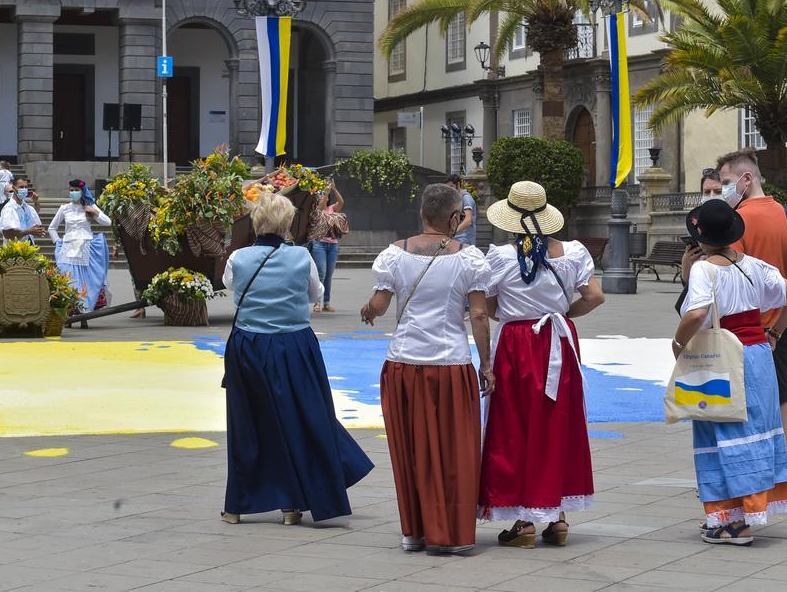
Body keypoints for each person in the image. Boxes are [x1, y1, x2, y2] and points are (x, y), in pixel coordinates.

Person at [221, 191, 373, 525]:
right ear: (288, 223)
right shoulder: (301, 258)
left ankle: (236, 505)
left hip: (249, 345)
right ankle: (293, 503)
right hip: (293, 345)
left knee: (247, 424)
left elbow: (230, 286)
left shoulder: (238, 258)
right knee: (300, 418)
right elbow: (315, 294)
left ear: (256, 222)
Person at [361, 183, 492, 554]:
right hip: (451, 363)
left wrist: (368, 310)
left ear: (422, 213)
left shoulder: (393, 255)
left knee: (410, 451)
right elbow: (479, 315)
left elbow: (381, 303)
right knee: (456, 451)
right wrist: (487, 364)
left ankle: (414, 531)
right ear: (455, 218)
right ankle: (452, 534)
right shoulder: (469, 259)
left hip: (403, 363)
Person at [478, 181, 605, 548]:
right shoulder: (573, 252)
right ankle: (558, 515)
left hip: (518, 343)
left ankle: (524, 519)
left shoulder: (500, 257)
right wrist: (564, 312)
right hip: (559, 341)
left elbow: (487, 306)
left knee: (515, 426)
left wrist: (513, 314)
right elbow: (595, 296)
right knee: (557, 425)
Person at [673, 199, 787, 545]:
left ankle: (733, 522)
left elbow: (695, 313)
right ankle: (741, 514)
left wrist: (678, 344)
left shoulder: (705, 269)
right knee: (753, 428)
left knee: (720, 431)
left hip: (721, 355)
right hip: (757, 355)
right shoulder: (753, 266)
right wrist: (774, 332)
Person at [716, 148, 787, 509]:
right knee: (783, 402)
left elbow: (730, 273)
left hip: (743, 329)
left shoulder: (736, 222)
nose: (724, 190)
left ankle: (744, 485)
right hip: (781, 329)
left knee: (742, 409)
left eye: (726, 182)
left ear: (747, 179)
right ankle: (784, 484)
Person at [49, 179, 113, 313]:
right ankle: (71, 309)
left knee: (86, 282)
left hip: (85, 247)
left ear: (82, 191)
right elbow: (52, 228)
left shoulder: (90, 206)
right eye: (71, 190)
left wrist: (94, 211)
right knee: (68, 279)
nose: (73, 192)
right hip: (68, 248)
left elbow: (108, 222)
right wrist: (58, 242)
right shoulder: (64, 208)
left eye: (76, 190)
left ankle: (84, 310)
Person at [680, 169, 727, 285]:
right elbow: (686, 284)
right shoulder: (696, 221)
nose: (711, 196)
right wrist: (686, 263)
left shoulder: (734, 224)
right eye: (706, 192)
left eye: (717, 191)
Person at [311, 179, 345, 313]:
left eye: (324, 197)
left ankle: (326, 302)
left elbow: (341, 202)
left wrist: (334, 190)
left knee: (329, 274)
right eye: (321, 197)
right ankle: (316, 303)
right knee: (321, 273)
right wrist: (325, 193)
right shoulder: (317, 210)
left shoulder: (332, 209)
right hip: (319, 244)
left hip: (333, 244)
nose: (323, 199)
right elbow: (320, 207)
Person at [0, 178, 46, 244]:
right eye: (21, 187)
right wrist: (29, 231)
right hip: (14, 249)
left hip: (29, 247)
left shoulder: (27, 207)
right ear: (13, 188)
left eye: (26, 187)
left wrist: (37, 231)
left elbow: (35, 212)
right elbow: (7, 234)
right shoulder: (9, 208)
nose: (24, 189)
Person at [448, 173, 477, 246]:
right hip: (457, 240)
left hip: (465, 241)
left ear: (457, 185)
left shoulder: (466, 198)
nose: (449, 190)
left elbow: (468, 221)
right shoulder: (455, 199)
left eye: (451, 186)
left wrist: (452, 233)